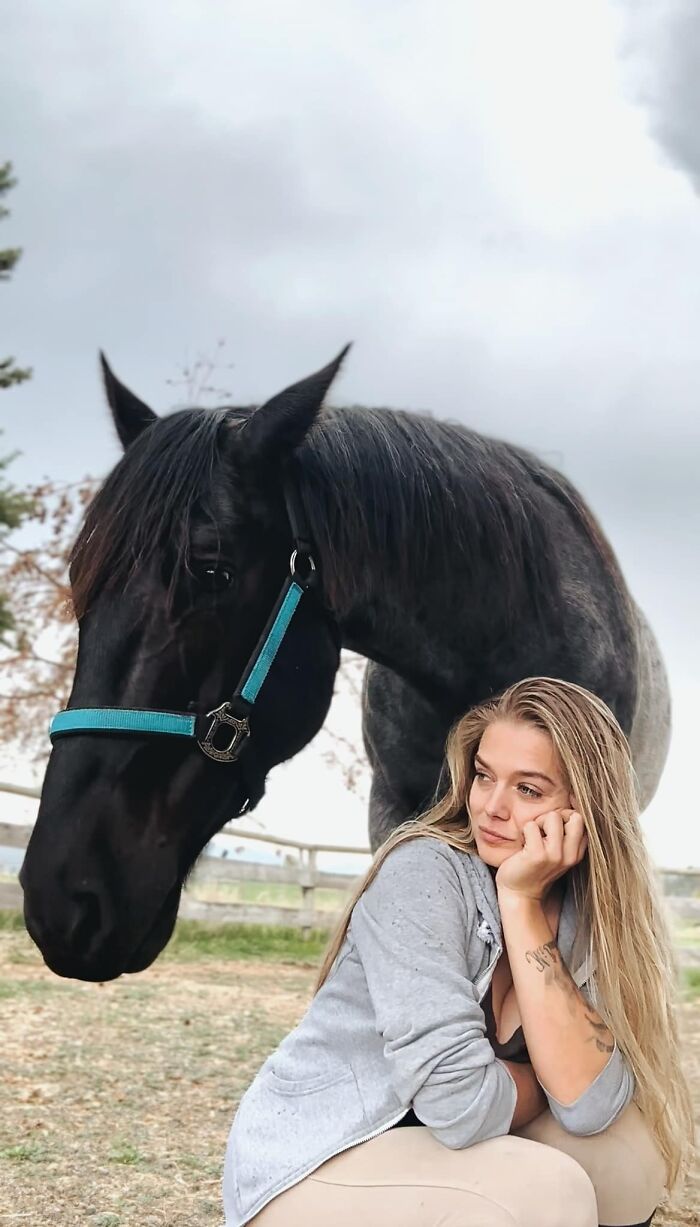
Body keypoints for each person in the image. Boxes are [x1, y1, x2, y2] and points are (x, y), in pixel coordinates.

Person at [222, 676, 694, 1227]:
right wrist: (541, 1081)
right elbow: (461, 1106)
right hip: (317, 1156)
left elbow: (591, 1105)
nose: (491, 807)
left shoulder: (585, 912)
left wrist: (520, 901)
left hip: (432, 1149)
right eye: (484, 776)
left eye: (528, 790)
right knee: (549, 1193)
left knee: (630, 1160)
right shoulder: (423, 875)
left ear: (584, 809)